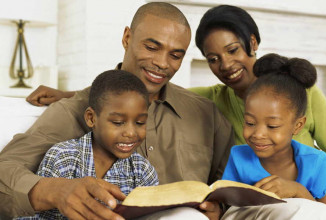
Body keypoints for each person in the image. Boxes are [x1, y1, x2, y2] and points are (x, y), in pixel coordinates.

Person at [0, 2, 234, 220]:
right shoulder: (74, 110)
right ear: (127, 38)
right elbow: (5, 170)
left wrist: (219, 208)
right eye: (152, 47)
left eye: (175, 55)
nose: (163, 63)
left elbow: (230, 186)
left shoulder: (206, 114)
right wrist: (57, 191)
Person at [190, 4, 326, 220]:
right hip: (270, 205)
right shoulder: (209, 100)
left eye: (232, 50)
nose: (226, 64)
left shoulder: (299, 90)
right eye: (213, 59)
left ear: (252, 42)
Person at [15, 70, 159, 219]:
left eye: (140, 122)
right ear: (91, 119)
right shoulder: (62, 157)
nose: (131, 133)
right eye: (118, 122)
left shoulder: (143, 171)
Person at [221, 53, 326, 219]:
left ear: (298, 125)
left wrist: (298, 191)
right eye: (249, 123)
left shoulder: (315, 161)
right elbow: (228, 207)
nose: (258, 134)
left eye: (272, 126)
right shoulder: (238, 156)